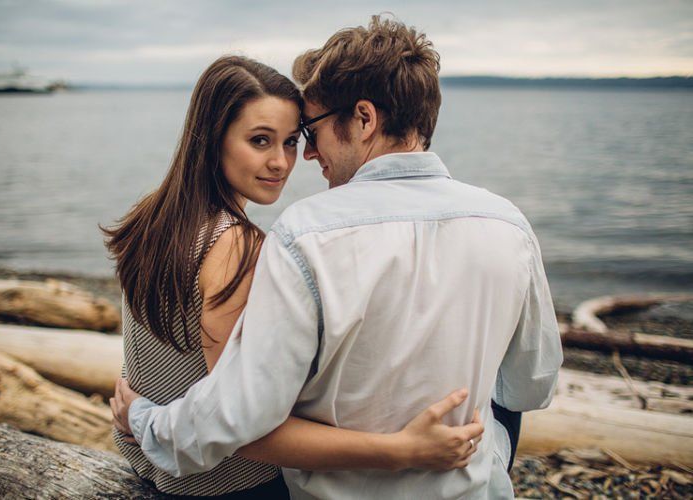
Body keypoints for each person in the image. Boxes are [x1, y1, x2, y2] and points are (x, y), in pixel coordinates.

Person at [113, 16, 564, 498]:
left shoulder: (306, 234)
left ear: (365, 120)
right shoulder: (508, 225)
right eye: (269, 140)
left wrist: (145, 421)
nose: (302, 157)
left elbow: (239, 412)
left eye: (308, 133)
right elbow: (532, 385)